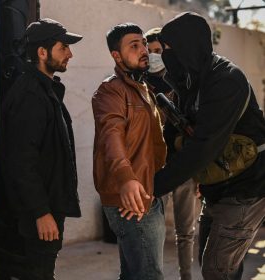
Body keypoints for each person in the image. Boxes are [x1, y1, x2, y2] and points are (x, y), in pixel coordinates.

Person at [154, 12, 265, 280]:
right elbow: (176, 133)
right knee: (221, 265)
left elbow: (204, 145)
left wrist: (153, 187)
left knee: (216, 270)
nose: (164, 56)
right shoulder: (189, 80)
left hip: (246, 189)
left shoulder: (226, 80)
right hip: (218, 188)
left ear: (188, 48)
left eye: (168, 49)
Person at [0, 18, 82, 280]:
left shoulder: (45, 89)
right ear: (42, 53)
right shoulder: (30, 95)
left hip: (45, 211)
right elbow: (21, 161)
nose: (70, 53)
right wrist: (41, 212)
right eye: (63, 47)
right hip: (35, 218)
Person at [92, 23, 167, 280]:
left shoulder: (144, 88)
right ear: (116, 55)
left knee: (135, 273)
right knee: (148, 274)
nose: (143, 50)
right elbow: (110, 135)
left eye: (143, 43)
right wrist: (125, 178)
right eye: (133, 46)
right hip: (131, 198)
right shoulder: (111, 91)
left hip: (147, 191)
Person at [145, 27, 197, 280]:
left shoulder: (181, 82)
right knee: (152, 230)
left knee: (185, 231)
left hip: (183, 167)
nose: (155, 56)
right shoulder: (141, 84)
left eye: (159, 51)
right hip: (156, 168)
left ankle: (186, 275)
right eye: (150, 51)